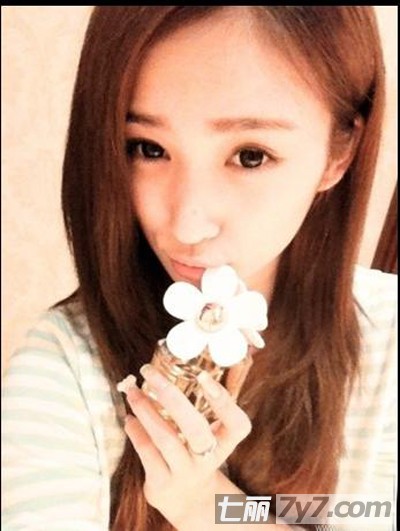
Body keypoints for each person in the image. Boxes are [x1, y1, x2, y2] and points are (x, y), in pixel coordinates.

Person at [2, 6, 396, 531]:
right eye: (148, 149)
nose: (187, 224)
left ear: (339, 152)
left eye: (250, 155)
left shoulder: (389, 342)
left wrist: (206, 506)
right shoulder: (68, 362)